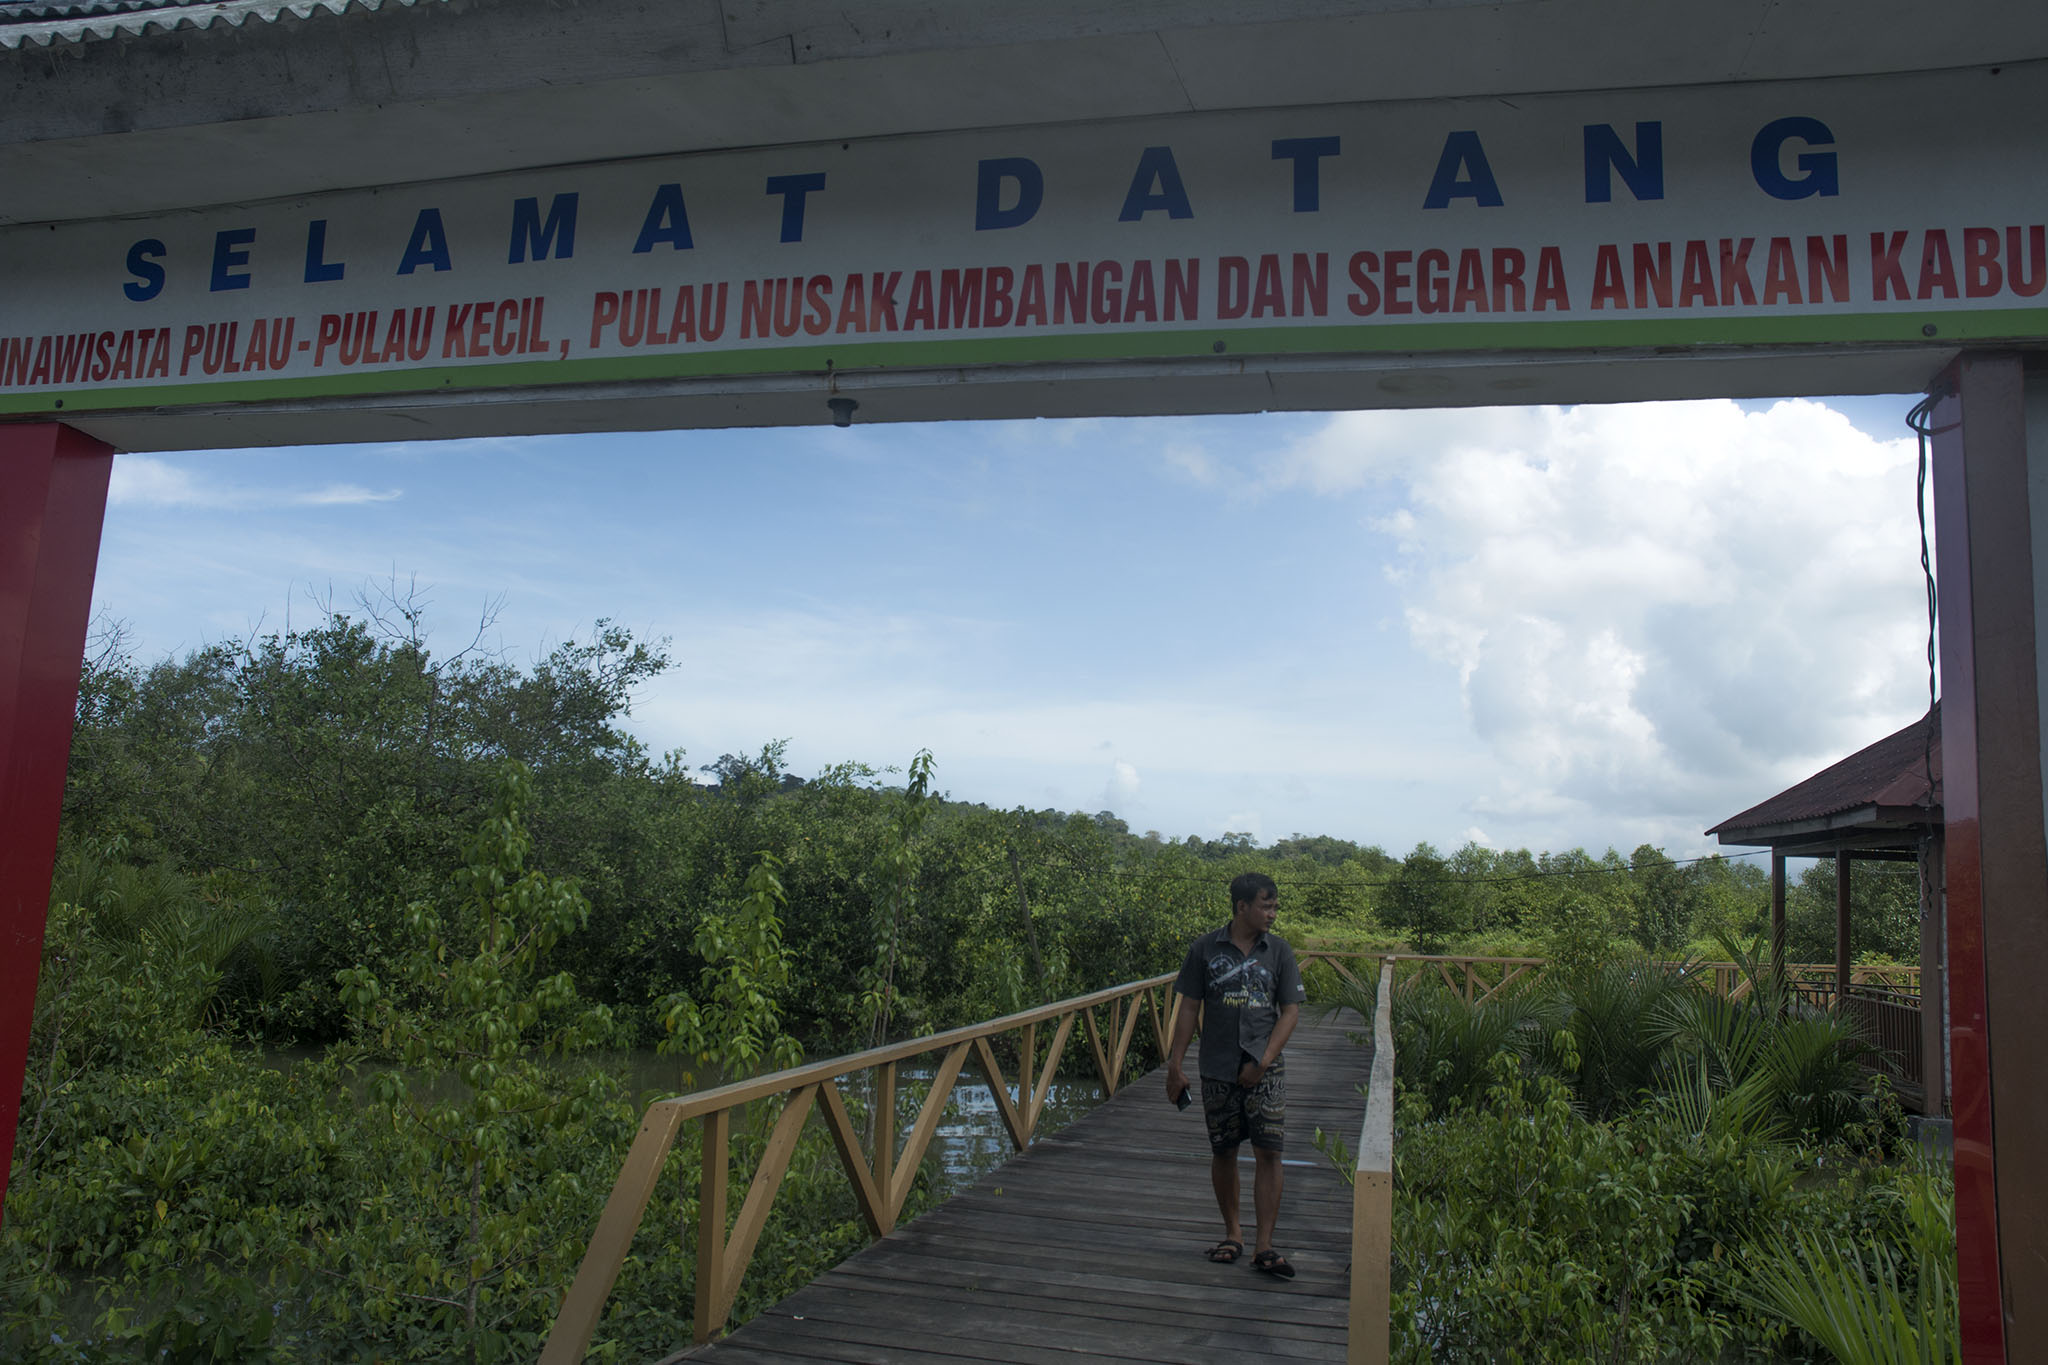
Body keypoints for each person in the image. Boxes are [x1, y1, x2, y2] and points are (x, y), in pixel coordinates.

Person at [1165, 871, 1305, 1279]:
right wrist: (1176, 1065)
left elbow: (1290, 1012)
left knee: (1269, 1151)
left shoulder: (1279, 952)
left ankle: (1265, 1245)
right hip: (1218, 1067)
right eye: (1266, 905)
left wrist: (1263, 1060)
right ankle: (1233, 1234)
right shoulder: (1204, 949)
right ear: (1241, 907)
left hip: (1266, 1068)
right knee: (1223, 1150)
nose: (1272, 914)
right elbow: (1189, 1007)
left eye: (1275, 906)